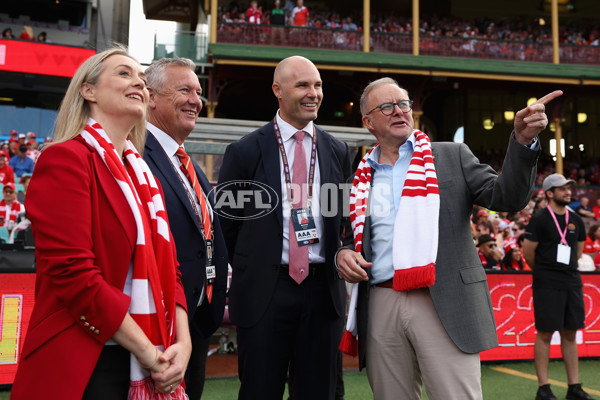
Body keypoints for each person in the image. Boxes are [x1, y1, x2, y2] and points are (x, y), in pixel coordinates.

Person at [336, 77, 561, 400]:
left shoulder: (451, 155)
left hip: (443, 297)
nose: (399, 111)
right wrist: (342, 253)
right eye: (387, 106)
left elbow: (506, 197)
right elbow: (347, 235)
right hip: (380, 301)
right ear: (368, 122)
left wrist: (523, 141)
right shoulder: (360, 175)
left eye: (403, 103)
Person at [11, 47, 191, 399]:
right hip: (88, 362)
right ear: (88, 90)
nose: (139, 81)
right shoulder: (65, 159)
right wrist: (148, 353)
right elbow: (74, 275)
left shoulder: (143, 177)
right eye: (124, 73)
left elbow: (172, 270)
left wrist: (182, 344)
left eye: (141, 77)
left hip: (153, 353)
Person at [217, 55, 351, 400]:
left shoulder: (338, 150)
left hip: (322, 294)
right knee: (260, 391)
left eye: (318, 85)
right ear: (277, 90)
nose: (313, 93)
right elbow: (227, 229)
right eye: (303, 85)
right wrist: (257, 266)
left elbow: (342, 220)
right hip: (266, 290)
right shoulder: (245, 151)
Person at [144, 57, 228, 400]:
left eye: (198, 91)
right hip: (157, 324)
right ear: (150, 97)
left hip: (194, 322)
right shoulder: (134, 154)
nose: (197, 100)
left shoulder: (186, 163)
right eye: (184, 90)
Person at [522, 174, 595, 400]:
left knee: (570, 333)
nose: (567, 192)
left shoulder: (577, 220)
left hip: (571, 280)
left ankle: (574, 387)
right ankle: (543, 388)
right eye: (562, 189)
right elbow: (528, 253)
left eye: (568, 188)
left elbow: (579, 252)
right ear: (549, 193)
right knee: (545, 334)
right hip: (547, 282)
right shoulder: (540, 218)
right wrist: (546, 271)